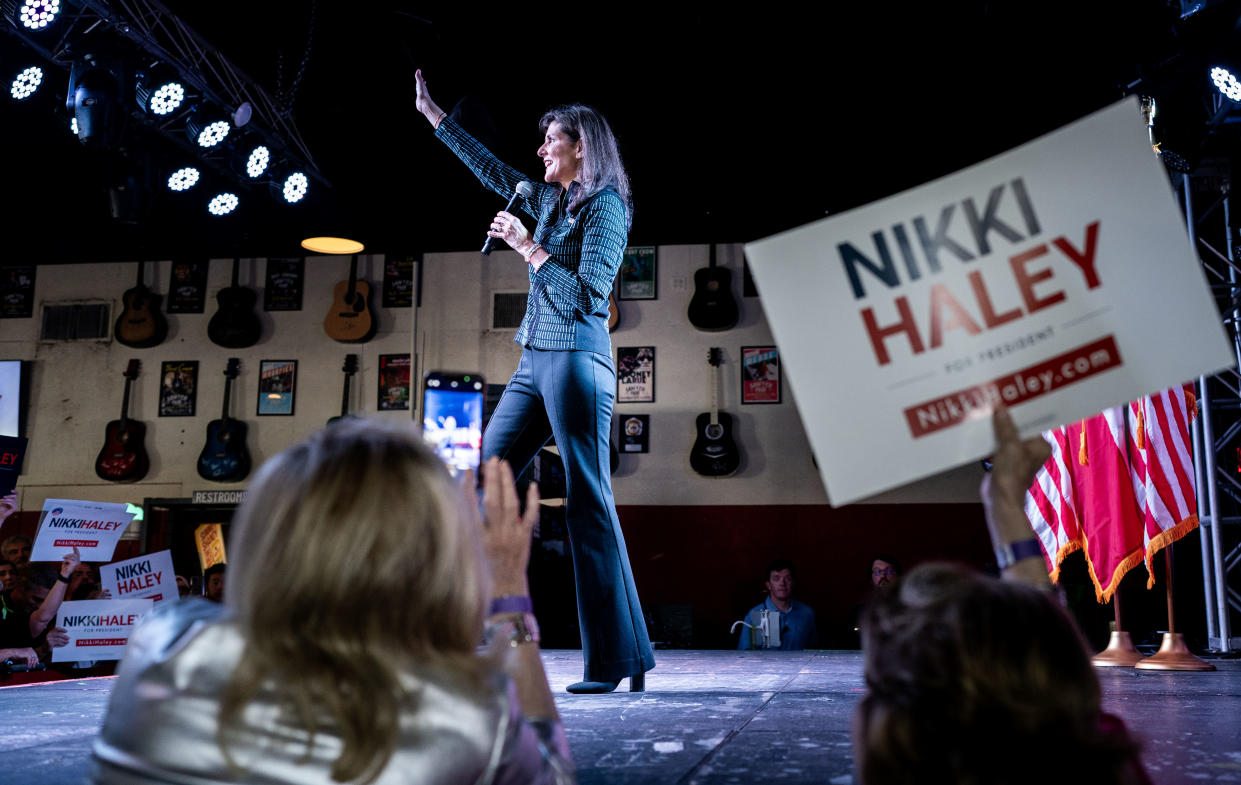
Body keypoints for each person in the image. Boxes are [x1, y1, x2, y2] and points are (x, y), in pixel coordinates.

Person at [91, 419, 573, 785]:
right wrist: (509, 594)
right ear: (430, 558)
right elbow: (553, 771)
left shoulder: (160, 641)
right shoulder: (473, 716)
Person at [414, 69, 654, 694]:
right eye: (544, 140)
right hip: (531, 362)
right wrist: (438, 120)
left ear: (582, 148)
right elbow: (492, 169)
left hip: (578, 359)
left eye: (553, 140)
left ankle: (613, 660)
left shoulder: (607, 208)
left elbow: (589, 297)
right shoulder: (545, 197)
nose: (542, 149)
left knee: (586, 505)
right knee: (478, 481)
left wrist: (528, 249)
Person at [852, 407, 1151, 785]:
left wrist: (1002, 501)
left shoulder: (903, 753)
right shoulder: (1090, 755)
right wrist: (1003, 503)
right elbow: (1059, 676)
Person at [736, 558, 818, 650]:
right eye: (776, 578)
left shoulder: (807, 614)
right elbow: (743, 654)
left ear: (793, 583)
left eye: (788, 578)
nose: (782, 583)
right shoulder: (754, 615)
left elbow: (813, 650)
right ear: (768, 585)